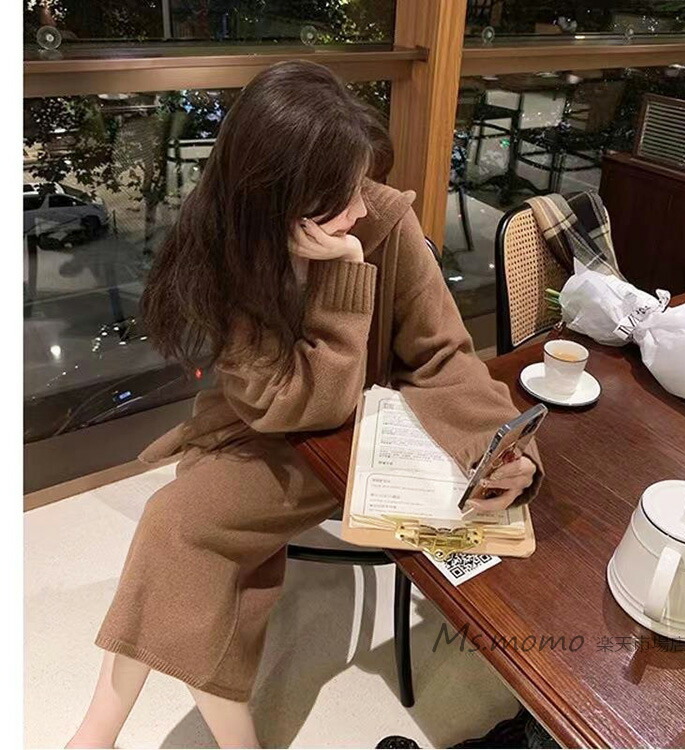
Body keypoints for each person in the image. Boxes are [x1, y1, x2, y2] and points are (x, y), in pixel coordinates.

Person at [66, 60, 543, 750]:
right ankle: (113, 732)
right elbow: (289, 407)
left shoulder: (382, 219)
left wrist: (501, 442)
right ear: (277, 203)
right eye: (340, 196)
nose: (360, 209)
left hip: (363, 438)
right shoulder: (226, 254)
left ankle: (99, 733)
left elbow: (444, 355)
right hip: (274, 426)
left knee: (176, 529)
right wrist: (345, 283)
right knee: (180, 534)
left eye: (358, 184)